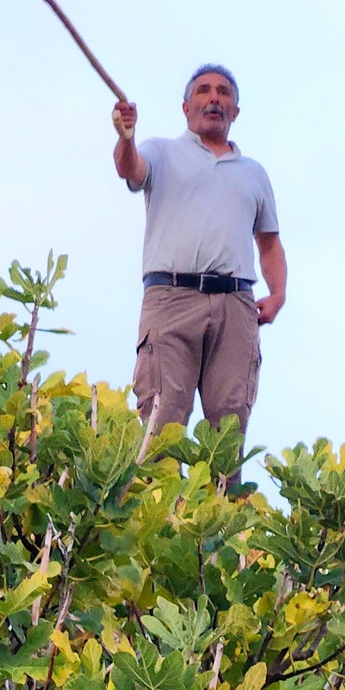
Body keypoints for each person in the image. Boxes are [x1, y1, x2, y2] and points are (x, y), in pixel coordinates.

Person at [112, 65, 286, 446]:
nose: (214, 98)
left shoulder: (253, 173)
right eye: (204, 91)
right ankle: (157, 503)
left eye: (223, 93)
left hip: (235, 304)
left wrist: (277, 295)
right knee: (162, 418)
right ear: (186, 106)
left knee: (229, 425)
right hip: (172, 298)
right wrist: (127, 137)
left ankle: (225, 504)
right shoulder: (161, 151)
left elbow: (269, 243)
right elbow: (131, 169)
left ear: (235, 111)